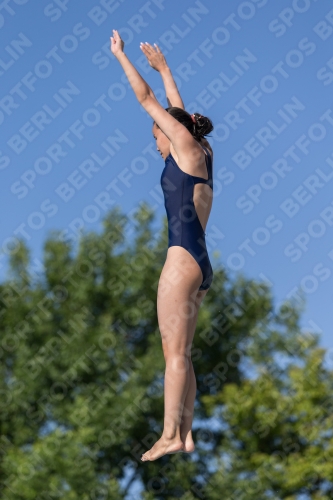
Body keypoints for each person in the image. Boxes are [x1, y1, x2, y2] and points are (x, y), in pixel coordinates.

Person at [110, 30, 214, 461]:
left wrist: (120, 57)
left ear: (172, 134)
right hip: (202, 263)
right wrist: (167, 69)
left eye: (157, 135)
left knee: (172, 353)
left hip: (181, 257)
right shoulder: (200, 151)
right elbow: (178, 111)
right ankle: (185, 433)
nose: (155, 144)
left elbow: (148, 100)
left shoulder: (184, 145)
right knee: (183, 353)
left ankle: (170, 433)